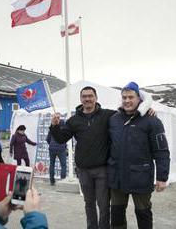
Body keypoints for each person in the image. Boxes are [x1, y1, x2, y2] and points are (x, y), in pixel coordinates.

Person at [50, 86, 153, 229]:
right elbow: (61, 139)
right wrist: (54, 126)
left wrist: (146, 110)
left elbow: (129, 112)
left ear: (96, 98)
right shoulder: (73, 120)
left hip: (102, 170)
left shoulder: (108, 115)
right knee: (89, 203)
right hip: (83, 170)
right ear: (81, 99)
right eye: (84, 96)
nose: (87, 99)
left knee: (104, 205)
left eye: (90, 96)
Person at [108, 82, 170, 229]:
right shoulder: (114, 119)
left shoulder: (152, 120)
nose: (127, 101)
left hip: (141, 176)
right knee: (116, 214)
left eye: (131, 97)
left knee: (143, 213)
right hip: (117, 176)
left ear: (139, 99)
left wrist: (162, 177)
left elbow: (161, 150)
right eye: (124, 97)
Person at [46, 120, 67, 186]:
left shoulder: (52, 129)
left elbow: (48, 139)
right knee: (63, 165)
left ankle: (52, 181)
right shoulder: (65, 131)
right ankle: (63, 181)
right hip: (61, 148)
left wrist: (51, 144)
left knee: (52, 164)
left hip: (52, 148)